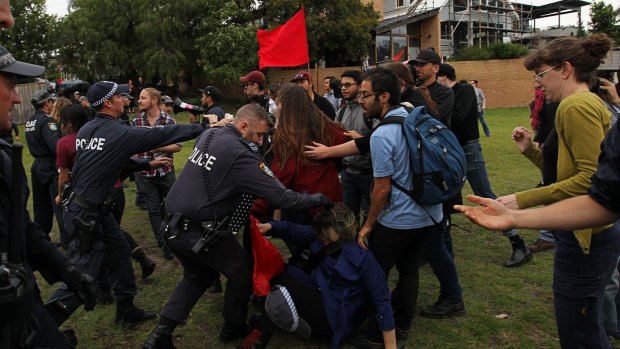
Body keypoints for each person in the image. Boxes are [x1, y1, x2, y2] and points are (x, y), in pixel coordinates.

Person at [456, 33, 616, 349]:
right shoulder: (584, 102)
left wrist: (521, 202)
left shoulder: (575, 106)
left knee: (580, 332)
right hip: (585, 230)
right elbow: (566, 172)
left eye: (541, 75)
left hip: (586, 236)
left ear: (565, 69)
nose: (539, 84)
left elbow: (589, 180)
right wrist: (531, 150)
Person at [143, 104, 332, 349]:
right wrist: (319, 199)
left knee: (197, 276)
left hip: (173, 224)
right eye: (260, 134)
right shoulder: (242, 154)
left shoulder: (211, 134)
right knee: (242, 272)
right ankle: (233, 325)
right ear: (243, 126)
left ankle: (160, 334)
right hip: (200, 231)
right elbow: (282, 198)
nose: (262, 140)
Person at [46, 80, 205, 327]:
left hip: (94, 210)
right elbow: (162, 134)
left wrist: (145, 164)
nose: (125, 100)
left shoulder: (89, 129)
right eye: (120, 97)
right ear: (108, 103)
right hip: (86, 216)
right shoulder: (118, 132)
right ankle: (40, 325)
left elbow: (110, 160)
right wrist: (203, 128)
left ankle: (126, 309)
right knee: (82, 277)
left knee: (121, 254)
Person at [0, 33, 96, 349]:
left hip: (24, 305)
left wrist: (63, 267)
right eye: (11, 86)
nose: (17, 99)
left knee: (41, 214)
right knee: (56, 211)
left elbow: (21, 228)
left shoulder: (4, 155)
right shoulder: (46, 125)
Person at [357, 68, 442, 341]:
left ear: (383, 96)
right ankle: (403, 324)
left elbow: (382, 188)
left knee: (377, 274)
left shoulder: (383, 135)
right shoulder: (414, 118)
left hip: (398, 219)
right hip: (430, 213)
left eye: (364, 94)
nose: (360, 100)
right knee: (409, 269)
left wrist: (368, 225)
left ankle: (374, 331)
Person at [246, 203, 396, 349]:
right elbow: (296, 231)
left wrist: (390, 345)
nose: (319, 234)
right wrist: (271, 227)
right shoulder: (323, 233)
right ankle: (267, 322)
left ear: (339, 229)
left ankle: (260, 337)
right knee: (275, 269)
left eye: (323, 231)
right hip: (318, 291)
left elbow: (382, 298)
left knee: (281, 279)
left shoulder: (363, 258)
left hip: (334, 318)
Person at [257, 84, 349, 225]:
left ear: (285, 105)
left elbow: (282, 173)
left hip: (304, 203)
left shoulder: (288, 136)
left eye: (279, 102)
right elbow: (347, 143)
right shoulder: (326, 126)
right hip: (330, 198)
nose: (277, 106)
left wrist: (258, 206)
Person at [131, 87, 182, 260]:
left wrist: (156, 146)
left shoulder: (168, 120)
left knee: (172, 207)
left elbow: (178, 146)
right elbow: (130, 148)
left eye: (143, 98)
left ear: (154, 100)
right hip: (145, 175)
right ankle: (164, 245)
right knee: (153, 210)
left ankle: (176, 238)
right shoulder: (136, 121)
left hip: (165, 172)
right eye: (139, 98)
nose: (139, 101)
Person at [25, 89, 71, 248]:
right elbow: (55, 146)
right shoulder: (48, 121)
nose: (53, 104)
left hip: (37, 166)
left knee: (41, 207)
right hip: (50, 167)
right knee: (59, 203)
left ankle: (40, 241)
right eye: (51, 101)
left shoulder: (30, 121)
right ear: (47, 103)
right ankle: (68, 241)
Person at [336, 70, 375, 223]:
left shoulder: (370, 110)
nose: (343, 88)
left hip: (369, 173)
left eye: (347, 84)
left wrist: (358, 139)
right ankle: (350, 246)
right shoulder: (341, 112)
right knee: (347, 218)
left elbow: (380, 139)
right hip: (348, 173)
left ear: (359, 86)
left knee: (371, 216)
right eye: (342, 85)